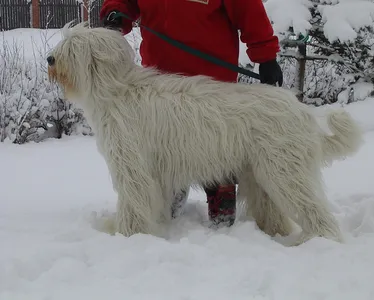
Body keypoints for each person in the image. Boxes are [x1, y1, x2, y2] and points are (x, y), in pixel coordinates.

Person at [100, 0, 283, 227]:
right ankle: (167, 203)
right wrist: (116, 13)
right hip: (160, 86)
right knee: (165, 150)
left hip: (213, 87)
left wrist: (266, 56)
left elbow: (248, 10)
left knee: (220, 148)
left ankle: (222, 211)